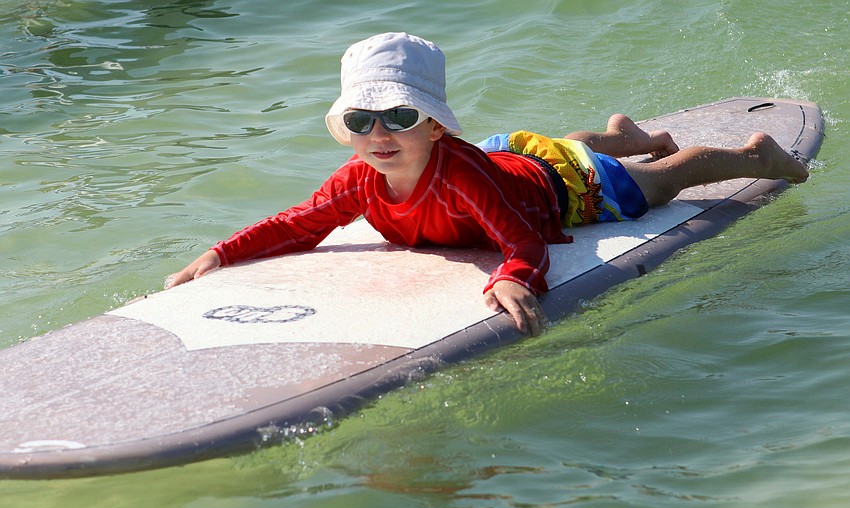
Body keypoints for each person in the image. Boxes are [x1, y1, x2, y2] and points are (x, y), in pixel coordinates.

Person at [166, 32, 808, 336]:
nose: (378, 133)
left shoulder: (462, 175)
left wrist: (511, 278)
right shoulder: (360, 180)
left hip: (550, 187)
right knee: (554, 145)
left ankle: (756, 155)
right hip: (507, 158)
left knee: (660, 182)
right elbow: (296, 223)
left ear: (435, 126)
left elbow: (524, 243)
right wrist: (225, 251)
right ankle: (630, 132)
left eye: (399, 117)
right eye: (361, 121)